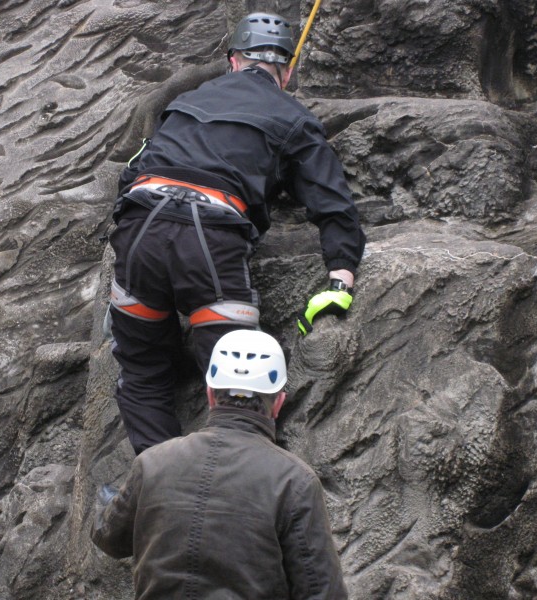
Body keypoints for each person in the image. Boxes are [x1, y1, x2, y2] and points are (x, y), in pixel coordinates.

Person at [107, 11, 366, 454]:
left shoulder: (188, 100)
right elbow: (333, 202)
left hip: (140, 230)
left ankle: (158, 487)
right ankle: (236, 493)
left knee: (142, 371)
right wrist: (340, 277)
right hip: (209, 237)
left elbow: (132, 173)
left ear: (233, 60)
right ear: (286, 71)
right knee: (238, 385)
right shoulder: (292, 114)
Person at [91, 330, 349, 599]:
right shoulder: (295, 481)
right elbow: (323, 592)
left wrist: (104, 500)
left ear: (210, 394)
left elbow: (109, 537)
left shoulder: (152, 463)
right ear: (278, 403)